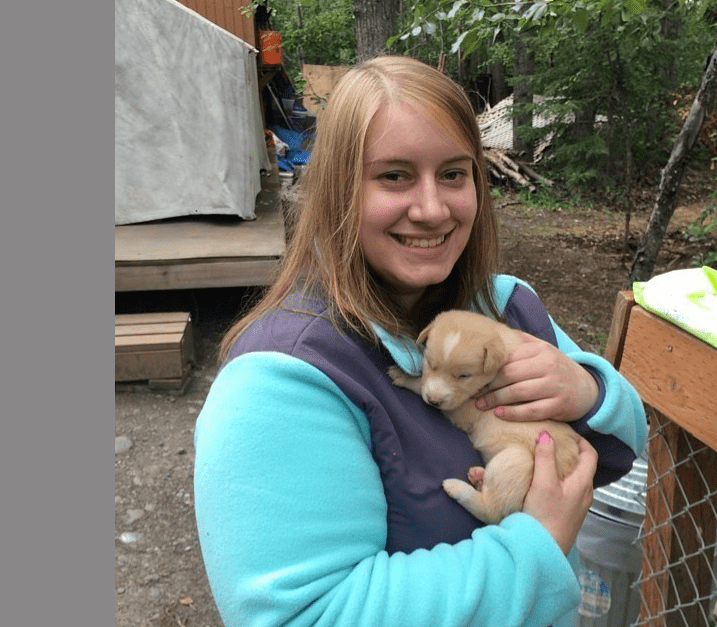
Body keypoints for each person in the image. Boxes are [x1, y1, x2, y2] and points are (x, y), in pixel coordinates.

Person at [193, 55, 648, 627]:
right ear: (336, 190)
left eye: (454, 174)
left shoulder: (504, 307)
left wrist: (589, 391)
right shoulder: (280, 379)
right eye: (394, 176)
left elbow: (623, 449)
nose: (432, 210)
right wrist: (534, 549)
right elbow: (302, 615)